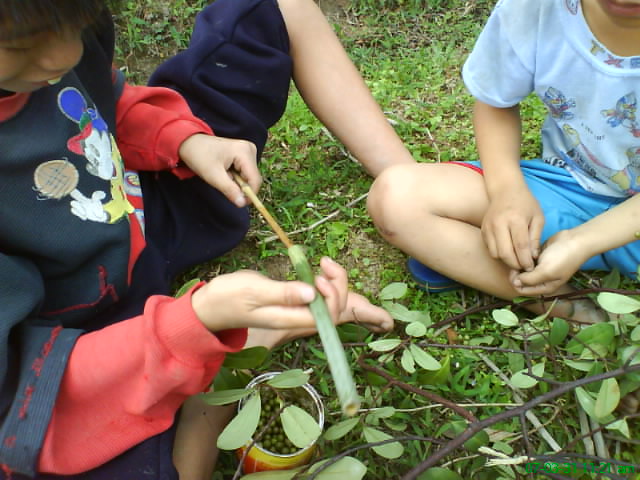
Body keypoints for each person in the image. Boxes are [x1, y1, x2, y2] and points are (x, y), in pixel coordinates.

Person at [0, 0, 415, 478]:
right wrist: (192, 327)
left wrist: (183, 140)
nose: (65, 56)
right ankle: (223, 373)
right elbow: (17, 406)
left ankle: (411, 184)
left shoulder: (55, 46)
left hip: (134, 209)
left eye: (77, 23)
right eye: (21, 45)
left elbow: (100, 108)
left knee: (277, 8)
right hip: (78, 332)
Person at [368, 0, 640, 324]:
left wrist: (582, 241)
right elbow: (495, 103)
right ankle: (570, 311)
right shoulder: (536, 8)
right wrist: (507, 192)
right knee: (398, 196)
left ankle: (490, 263)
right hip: (569, 185)